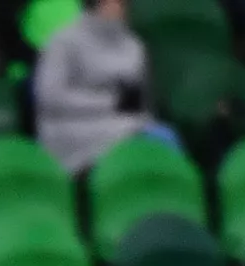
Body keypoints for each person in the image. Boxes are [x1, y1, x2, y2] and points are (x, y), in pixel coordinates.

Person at [34, 0, 181, 175]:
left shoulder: (133, 45)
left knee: (163, 136)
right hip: (71, 127)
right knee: (148, 140)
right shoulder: (63, 41)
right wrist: (109, 102)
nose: (121, 8)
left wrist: (132, 112)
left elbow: (136, 99)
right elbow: (50, 97)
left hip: (124, 124)